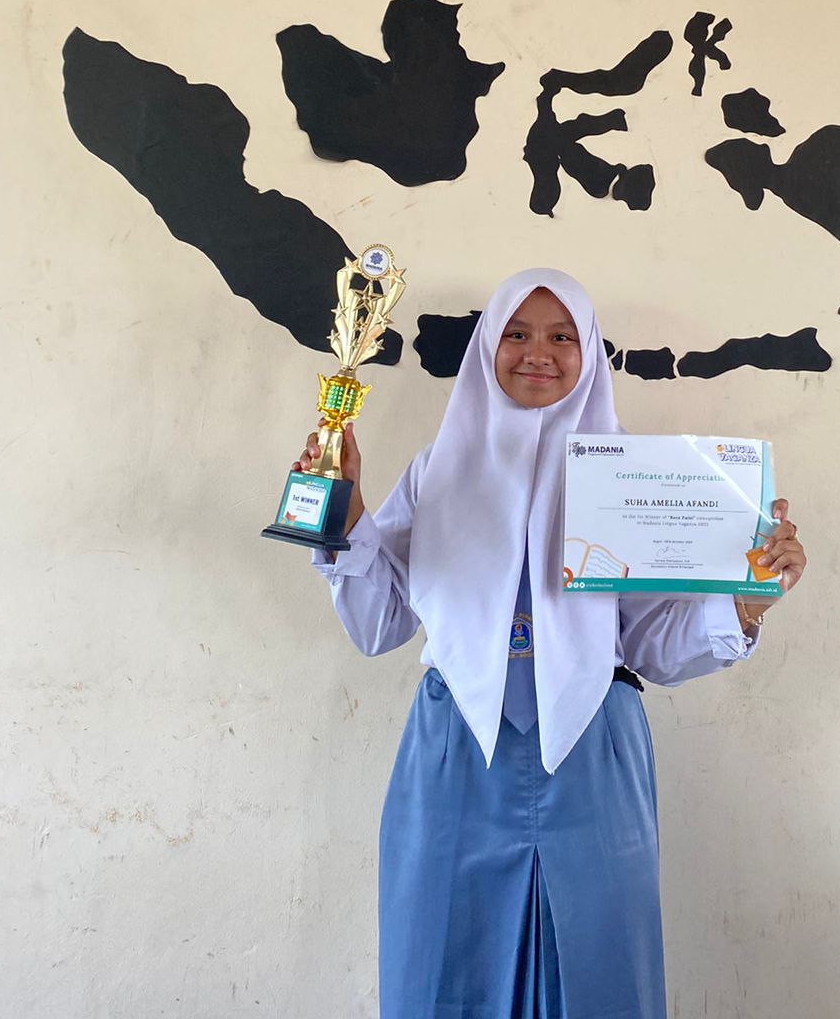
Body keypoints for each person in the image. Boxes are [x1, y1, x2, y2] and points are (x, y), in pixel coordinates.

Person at [295, 268, 806, 1019]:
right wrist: (344, 516)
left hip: (591, 750)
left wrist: (743, 603)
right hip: (455, 751)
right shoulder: (437, 472)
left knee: (598, 969)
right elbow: (379, 625)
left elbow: (651, 645)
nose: (539, 352)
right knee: (443, 961)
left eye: (562, 335)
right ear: (487, 347)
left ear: (590, 352)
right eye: (518, 333)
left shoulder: (638, 479)